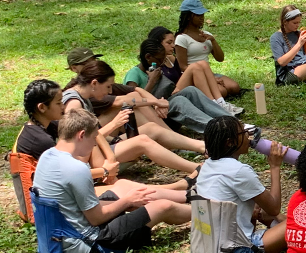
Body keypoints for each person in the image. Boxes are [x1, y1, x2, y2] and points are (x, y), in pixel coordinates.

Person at [31, 111, 191, 253]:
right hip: (87, 245)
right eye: (93, 138)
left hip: (60, 238)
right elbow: (96, 218)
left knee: (122, 185)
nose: (94, 144)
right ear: (81, 135)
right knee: (163, 206)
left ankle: (189, 195)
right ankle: (209, 209)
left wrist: (127, 199)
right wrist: (127, 201)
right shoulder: (76, 168)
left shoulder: (48, 156)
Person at [62, 59, 203, 175]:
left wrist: (114, 138)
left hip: (98, 147)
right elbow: (78, 143)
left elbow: (93, 134)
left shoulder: (83, 97)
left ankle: (205, 147)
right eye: (108, 87)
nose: (110, 91)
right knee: (142, 141)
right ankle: (197, 168)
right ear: (94, 83)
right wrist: (114, 125)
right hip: (90, 158)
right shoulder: (74, 103)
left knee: (151, 128)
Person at [194, 116, 286, 253]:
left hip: (208, 249)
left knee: (262, 212)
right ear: (230, 142)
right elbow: (274, 208)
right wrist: (275, 167)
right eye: (243, 133)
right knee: (301, 224)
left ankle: (284, 232)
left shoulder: (207, 166)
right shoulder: (238, 171)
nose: (248, 136)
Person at [125, 38, 241, 133]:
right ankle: (217, 128)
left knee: (190, 90)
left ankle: (230, 120)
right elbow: (132, 102)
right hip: (149, 114)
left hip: (163, 106)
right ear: (148, 57)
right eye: (159, 60)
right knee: (179, 101)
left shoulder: (154, 69)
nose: (162, 63)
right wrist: (152, 81)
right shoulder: (134, 74)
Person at [175, 0, 242, 98]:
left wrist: (213, 41)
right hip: (195, 76)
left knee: (234, 87)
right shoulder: (181, 38)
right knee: (222, 92)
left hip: (209, 73)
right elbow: (182, 66)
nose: (202, 18)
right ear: (188, 17)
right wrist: (208, 78)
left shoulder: (206, 35)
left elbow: (220, 58)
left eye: (203, 15)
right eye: (198, 15)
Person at [148, 26, 229, 106]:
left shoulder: (171, 59)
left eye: (173, 42)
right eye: (169, 43)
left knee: (203, 63)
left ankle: (220, 102)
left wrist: (210, 79)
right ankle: (213, 103)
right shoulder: (154, 63)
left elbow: (182, 76)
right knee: (194, 67)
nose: (173, 46)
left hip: (181, 89)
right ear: (157, 43)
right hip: (170, 96)